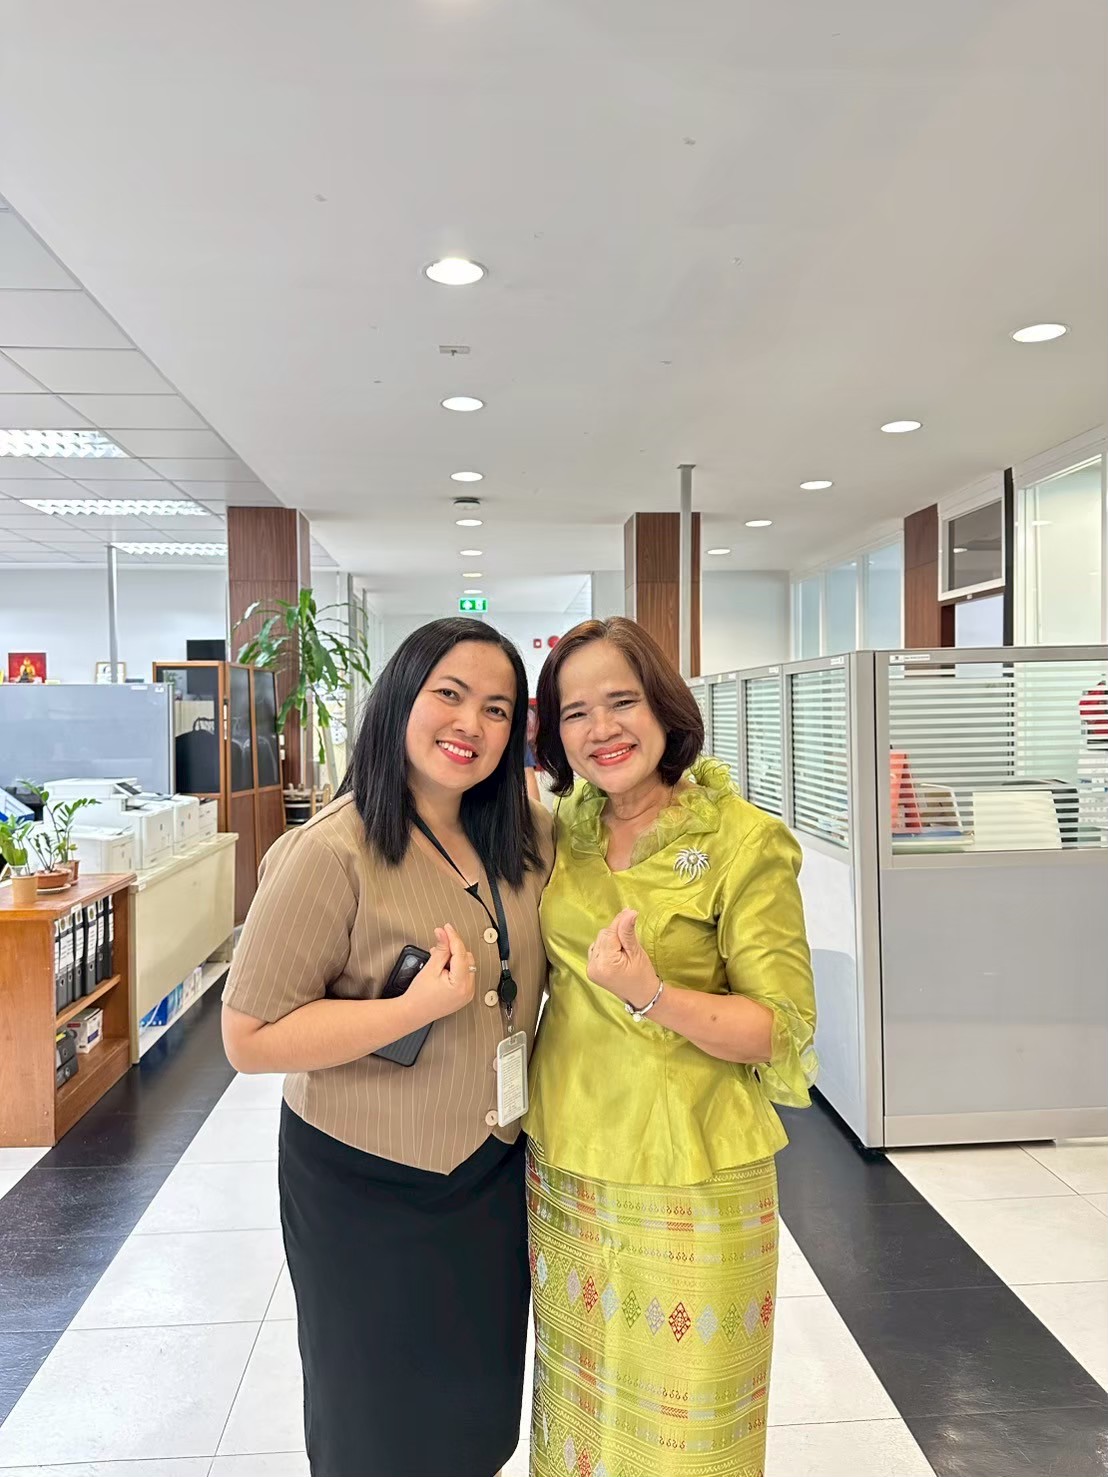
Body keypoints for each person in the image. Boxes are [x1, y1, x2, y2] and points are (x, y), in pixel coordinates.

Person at [221, 617, 552, 1477]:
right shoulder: (330, 851)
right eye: (449, 694)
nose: (470, 724)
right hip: (365, 1185)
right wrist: (411, 1009)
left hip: (491, 1172)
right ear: (401, 697)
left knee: (473, 1412)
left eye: (497, 708)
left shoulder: (524, 835)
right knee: (375, 1424)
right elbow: (248, 1037)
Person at [523, 617, 817, 1477]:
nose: (601, 728)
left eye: (622, 700)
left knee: (686, 1433)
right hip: (567, 1162)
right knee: (580, 1414)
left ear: (664, 706)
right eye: (575, 712)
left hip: (693, 1166)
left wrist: (652, 993)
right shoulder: (560, 830)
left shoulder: (743, 841)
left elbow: (781, 1024)